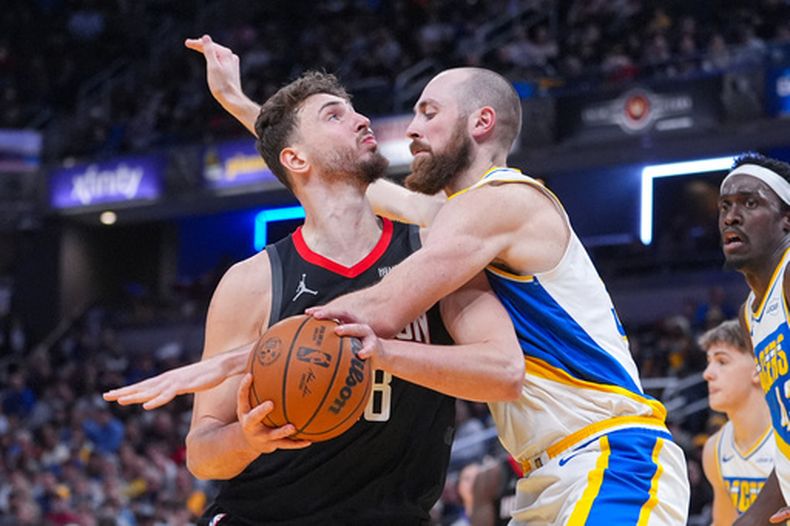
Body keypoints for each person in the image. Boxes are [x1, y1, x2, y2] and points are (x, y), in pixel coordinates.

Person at [107, 36, 689, 524]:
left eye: (428, 113)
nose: (408, 128)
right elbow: (343, 179)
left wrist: (239, 360)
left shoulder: (493, 205)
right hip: (548, 474)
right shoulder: (448, 220)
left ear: (481, 122)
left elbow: (385, 306)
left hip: (609, 454)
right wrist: (242, 105)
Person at [717, 153, 790, 526]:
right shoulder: (750, 315)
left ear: (786, 219)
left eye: (749, 203)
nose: (731, 217)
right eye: (725, 206)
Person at [699, 319, 774, 524]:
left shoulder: (783, 437)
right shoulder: (715, 449)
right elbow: (724, 523)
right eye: (708, 362)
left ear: (758, 368)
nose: (707, 374)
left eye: (722, 362)